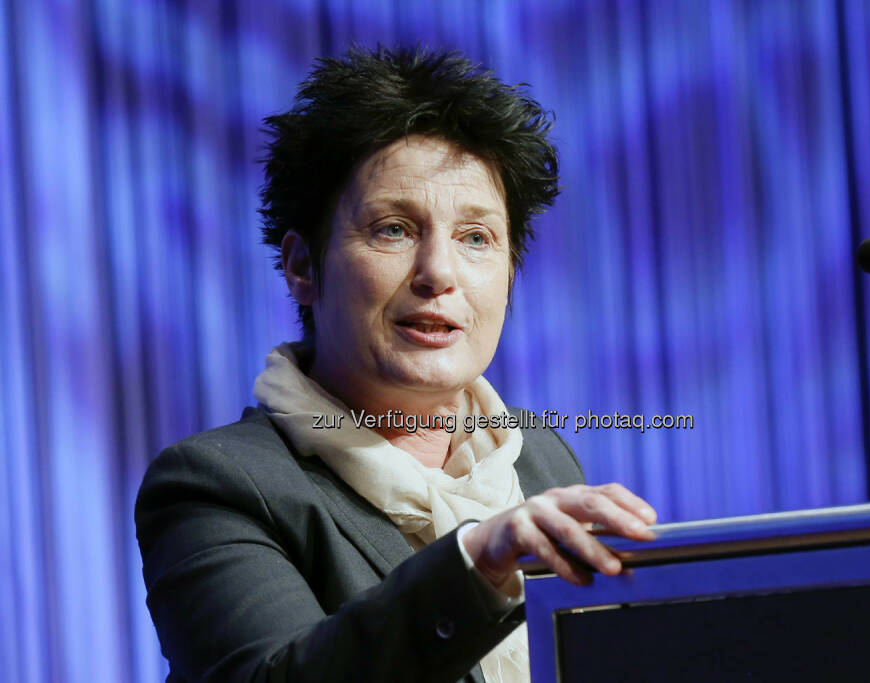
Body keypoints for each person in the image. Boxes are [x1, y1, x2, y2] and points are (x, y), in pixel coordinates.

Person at [135, 46, 657, 683]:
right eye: (392, 229)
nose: (439, 273)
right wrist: (472, 565)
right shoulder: (220, 485)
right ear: (302, 266)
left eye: (476, 237)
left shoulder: (537, 455)